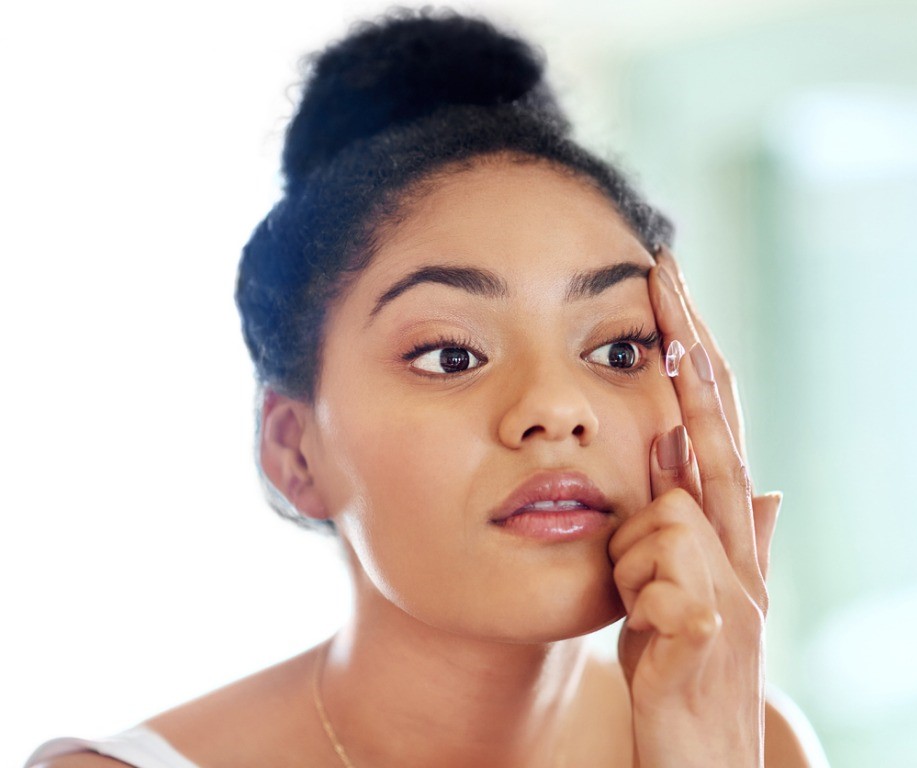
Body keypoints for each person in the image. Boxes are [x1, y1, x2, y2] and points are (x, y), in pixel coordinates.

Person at [27, 8, 825, 768]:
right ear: (294, 451)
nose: (556, 408)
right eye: (450, 356)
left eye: (620, 350)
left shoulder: (754, 737)